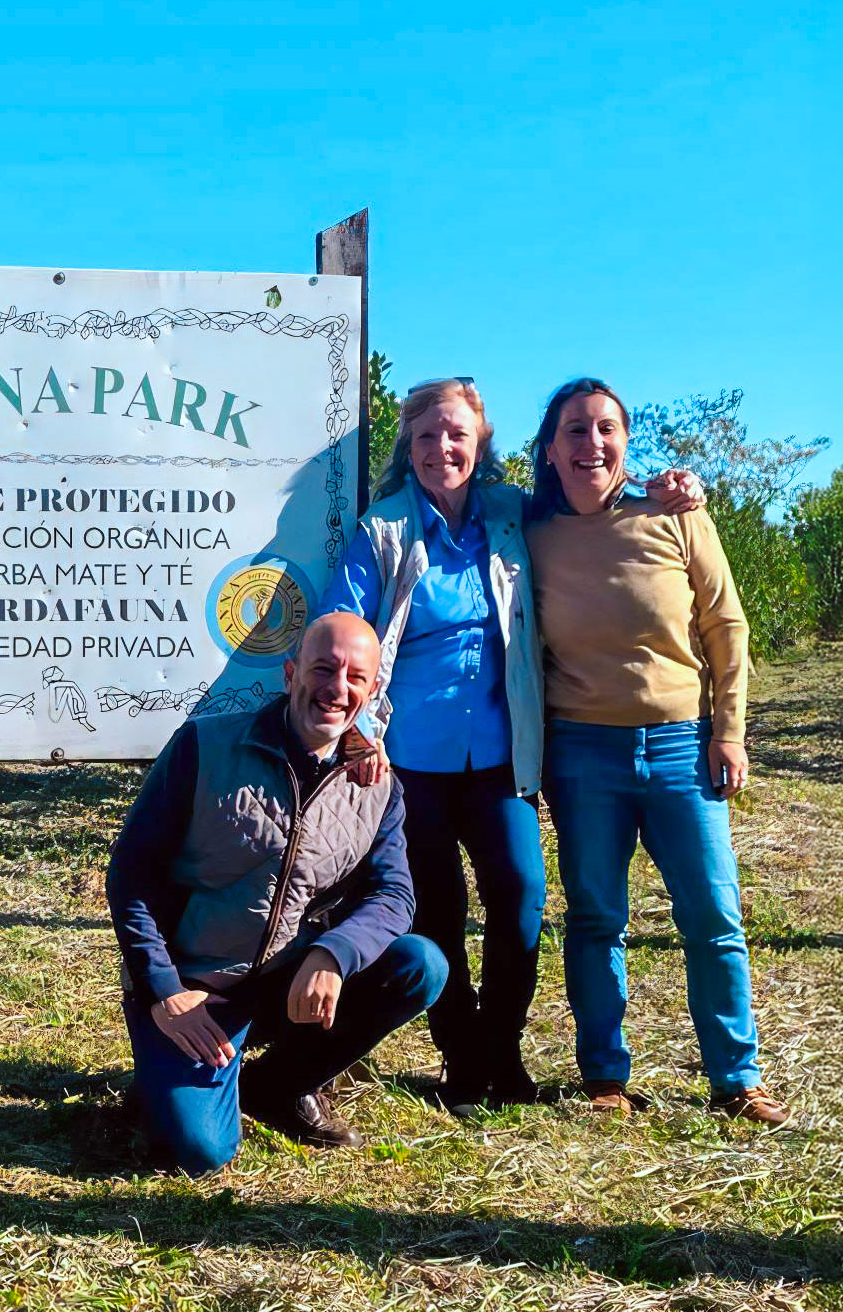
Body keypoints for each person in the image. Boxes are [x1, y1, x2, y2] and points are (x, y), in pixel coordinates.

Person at [322, 377, 702, 1114]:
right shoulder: (384, 532)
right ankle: (462, 1060)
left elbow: (589, 494)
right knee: (435, 909)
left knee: (521, 896)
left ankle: (502, 1048)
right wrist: (359, 731)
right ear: (410, 446)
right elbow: (345, 632)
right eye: (428, 437)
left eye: (457, 435)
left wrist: (670, 486)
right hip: (409, 766)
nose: (442, 450)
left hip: (502, 755)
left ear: (480, 445)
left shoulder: (507, 514)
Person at [525, 377, 792, 1128]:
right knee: (594, 918)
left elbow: (725, 627)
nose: (592, 444)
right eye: (574, 430)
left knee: (712, 917)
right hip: (580, 751)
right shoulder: (528, 529)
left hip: (682, 746)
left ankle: (735, 1078)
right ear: (549, 448)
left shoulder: (675, 515)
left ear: (626, 441)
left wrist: (729, 730)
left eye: (606, 428)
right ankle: (603, 1076)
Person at [105, 613, 447, 1173]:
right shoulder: (204, 745)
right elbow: (131, 875)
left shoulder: (378, 783)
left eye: (356, 677)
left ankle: (274, 1086)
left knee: (419, 965)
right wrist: (164, 991)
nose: (338, 688)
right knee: (200, 1154)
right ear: (290, 674)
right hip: (197, 991)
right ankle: (174, 1082)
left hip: (288, 979)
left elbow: (394, 895)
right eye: (323, 668)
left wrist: (332, 954)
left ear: (374, 690)